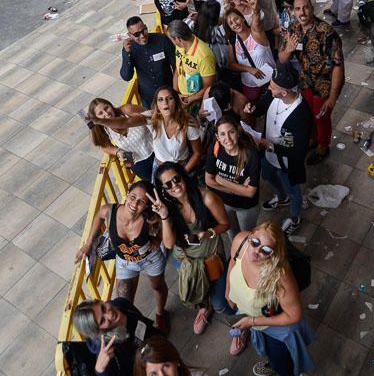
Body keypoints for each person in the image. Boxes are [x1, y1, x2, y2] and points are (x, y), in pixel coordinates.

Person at [226, 221, 315, 376]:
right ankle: (272, 362)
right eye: (255, 242)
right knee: (268, 353)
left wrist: (252, 321)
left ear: (275, 254)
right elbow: (233, 261)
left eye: (266, 250)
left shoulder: (279, 275)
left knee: (281, 363)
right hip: (253, 319)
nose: (256, 251)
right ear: (249, 236)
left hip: (274, 326)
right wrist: (229, 291)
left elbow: (293, 315)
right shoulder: (240, 242)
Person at [75, 180, 169, 333]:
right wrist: (88, 243)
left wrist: (158, 239)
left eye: (141, 201)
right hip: (125, 261)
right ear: (126, 194)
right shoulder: (110, 212)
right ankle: (130, 331)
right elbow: (98, 215)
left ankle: (160, 314)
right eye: (132, 197)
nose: (134, 203)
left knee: (157, 286)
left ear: (146, 205)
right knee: (123, 300)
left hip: (150, 258)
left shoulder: (149, 218)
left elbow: (166, 223)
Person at [152, 162, 234, 334]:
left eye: (176, 179)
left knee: (221, 302)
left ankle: (239, 325)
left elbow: (225, 224)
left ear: (183, 176)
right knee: (199, 294)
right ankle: (204, 308)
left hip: (211, 259)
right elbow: (168, 244)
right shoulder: (167, 208)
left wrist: (209, 232)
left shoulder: (206, 198)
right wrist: (165, 217)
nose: (174, 186)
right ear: (163, 190)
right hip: (184, 261)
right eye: (168, 184)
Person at [245, 63, 313, 235]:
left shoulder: (301, 115)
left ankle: (295, 217)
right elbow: (263, 104)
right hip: (268, 154)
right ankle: (282, 197)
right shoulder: (273, 95)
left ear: (284, 93)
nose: (268, 88)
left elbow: (298, 151)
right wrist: (253, 108)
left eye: (273, 87)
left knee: (293, 190)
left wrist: (268, 145)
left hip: (287, 162)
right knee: (267, 175)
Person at [279, 0, 344, 164]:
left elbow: (338, 66)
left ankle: (323, 146)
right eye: (298, 8)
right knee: (308, 115)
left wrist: (332, 97)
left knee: (321, 118)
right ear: (293, 11)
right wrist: (288, 49)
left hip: (323, 85)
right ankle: (313, 140)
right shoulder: (293, 29)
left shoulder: (326, 32)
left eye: (306, 7)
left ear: (312, 8)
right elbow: (282, 59)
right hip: (304, 82)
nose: (302, 12)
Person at [73, 296, 162, 376]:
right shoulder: (109, 352)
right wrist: (102, 372)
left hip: (154, 354)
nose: (109, 315)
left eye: (103, 308)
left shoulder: (121, 304)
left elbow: (143, 323)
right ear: (99, 332)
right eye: (102, 321)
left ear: (101, 301)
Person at [205, 115, 260, 245]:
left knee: (247, 236)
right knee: (232, 234)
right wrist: (239, 189)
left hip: (245, 207)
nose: (227, 139)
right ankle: (236, 256)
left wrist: (221, 180)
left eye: (231, 132)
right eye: (222, 134)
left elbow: (250, 193)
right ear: (217, 137)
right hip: (223, 202)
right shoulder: (215, 148)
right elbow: (208, 181)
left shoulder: (250, 154)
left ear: (238, 132)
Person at [86, 97, 154, 180]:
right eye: (100, 113)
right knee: (155, 185)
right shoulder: (104, 129)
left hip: (156, 151)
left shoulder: (126, 110)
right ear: (96, 119)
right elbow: (103, 146)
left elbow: (151, 115)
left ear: (111, 105)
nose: (106, 114)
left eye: (106, 108)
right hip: (136, 162)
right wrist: (117, 151)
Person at [120, 16, 175, 109]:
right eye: (137, 34)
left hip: (169, 91)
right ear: (130, 35)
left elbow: (176, 65)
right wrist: (127, 54)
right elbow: (126, 76)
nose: (142, 36)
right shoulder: (129, 49)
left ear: (146, 26)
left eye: (143, 30)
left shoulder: (162, 39)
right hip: (149, 98)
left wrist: (176, 88)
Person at [225, 4, 275, 102]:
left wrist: (255, 11)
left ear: (243, 19)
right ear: (230, 28)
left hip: (272, 81)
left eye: (236, 19)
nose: (235, 24)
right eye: (231, 23)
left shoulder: (256, 32)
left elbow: (256, 22)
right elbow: (232, 65)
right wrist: (249, 69)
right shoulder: (232, 41)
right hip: (250, 86)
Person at [167, 20, 217, 109]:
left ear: (178, 39)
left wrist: (188, 100)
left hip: (196, 102)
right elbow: (178, 70)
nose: (171, 42)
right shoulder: (179, 47)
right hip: (180, 97)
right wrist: (176, 94)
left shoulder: (204, 56)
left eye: (171, 39)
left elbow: (208, 87)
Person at [192, 0, 229, 68]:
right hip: (216, 61)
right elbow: (224, 42)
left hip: (198, 58)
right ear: (215, 16)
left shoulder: (192, 23)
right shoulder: (217, 31)